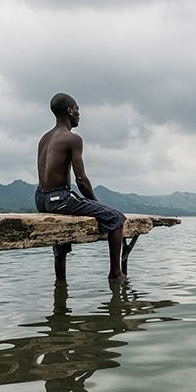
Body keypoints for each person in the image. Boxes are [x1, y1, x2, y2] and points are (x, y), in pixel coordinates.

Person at [35, 92, 127, 281]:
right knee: (116, 218)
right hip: (59, 199)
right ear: (70, 111)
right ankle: (115, 274)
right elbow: (81, 179)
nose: (79, 113)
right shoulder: (72, 138)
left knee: (59, 234)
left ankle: (60, 283)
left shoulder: (44, 138)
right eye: (77, 109)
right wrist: (97, 204)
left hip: (40, 198)